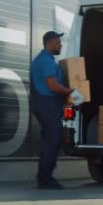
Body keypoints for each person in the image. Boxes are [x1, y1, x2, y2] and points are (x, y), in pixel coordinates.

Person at [30, 31, 81, 189]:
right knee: (53, 140)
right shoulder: (45, 61)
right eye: (58, 42)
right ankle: (45, 179)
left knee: (50, 140)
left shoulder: (48, 60)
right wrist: (71, 92)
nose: (60, 45)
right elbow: (52, 85)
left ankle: (44, 177)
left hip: (50, 104)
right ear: (51, 43)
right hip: (48, 104)